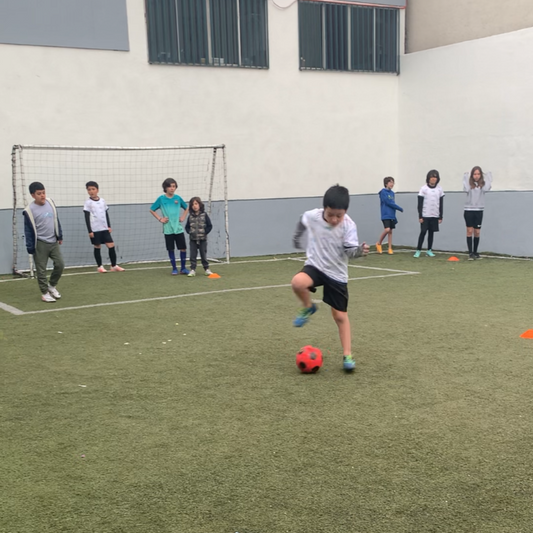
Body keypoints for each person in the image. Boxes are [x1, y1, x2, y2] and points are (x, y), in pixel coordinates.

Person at [291, 184, 369, 372]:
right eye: (330, 214)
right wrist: (298, 235)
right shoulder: (313, 215)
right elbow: (303, 220)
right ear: (323, 208)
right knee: (297, 282)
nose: (334, 219)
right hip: (316, 265)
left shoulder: (349, 225)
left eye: (339, 216)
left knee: (340, 316)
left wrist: (359, 251)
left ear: (346, 212)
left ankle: (347, 355)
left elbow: (349, 252)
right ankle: (309, 307)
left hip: (336, 273)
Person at [23, 182, 65, 302]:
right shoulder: (29, 211)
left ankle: (52, 286)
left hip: (53, 241)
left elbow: (56, 220)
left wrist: (59, 235)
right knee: (41, 270)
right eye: (39, 194)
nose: (42, 196)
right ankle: (44, 293)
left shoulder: (50, 203)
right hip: (40, 243)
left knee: (60, 264)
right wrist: (30, 247)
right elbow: (28, 230)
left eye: (44, 192)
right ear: (33, 195)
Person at [150, 178, 189, 275]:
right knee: (170, 248)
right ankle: (174, 268)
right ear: (165, 188)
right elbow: (152, 209)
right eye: (170, 186)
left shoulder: (178, 198)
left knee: (183, 248)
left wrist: (183, 217)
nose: (172, 188)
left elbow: (187, 207)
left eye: (174, 186)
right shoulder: (161, 199)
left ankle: (183, 268)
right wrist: (160, 219)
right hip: (168, 229)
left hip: (178, 228)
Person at [83, 181, 125, 273]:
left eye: (93, 189)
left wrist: (109, 226)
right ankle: (100, 266)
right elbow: (86, 217)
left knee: (111, 245)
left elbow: (106, 214)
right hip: (95, 228)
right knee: (97, 246)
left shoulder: (102, 201)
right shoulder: (88, 203)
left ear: (97, 190)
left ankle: (113, 265)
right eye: (89, 189)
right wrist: (90, 231)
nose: (91, 191)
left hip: (104, 228)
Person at [463, 166, 492, 260]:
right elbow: (466, 189)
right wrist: (465, 177)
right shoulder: (469, 184)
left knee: (477, 232)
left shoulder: (482, 185)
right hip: (469, 210)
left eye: (478, 174)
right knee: (469, 231)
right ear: (472, 175)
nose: (476, 176)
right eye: (475, 174)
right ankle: (470, 253)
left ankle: (475, 252)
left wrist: (489, 177)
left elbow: (486, 189)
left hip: (479, 210)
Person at [414, 170, 444, 258]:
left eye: (435, 177)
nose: (433, 179)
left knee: (431, 233)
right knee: (423, 232)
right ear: (428, 178)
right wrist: (420, 215)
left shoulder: (439, 189)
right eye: (432, 177)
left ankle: (429, 250)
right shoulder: (423, 189)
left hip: (435, 215)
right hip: (425, 215)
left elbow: (441, 203)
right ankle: (418, 250)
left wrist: (440, 216)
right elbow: (419, 203)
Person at [185, 196, 213, 277]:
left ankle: (206, 269)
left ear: (200, 204)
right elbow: (187, 227)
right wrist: (190, 232)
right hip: (193, 239)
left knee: (203, 254)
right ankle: (193, 269)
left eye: (196, 204)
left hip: (202, 239)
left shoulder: (204, 215)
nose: (195, 206)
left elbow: (209, 226)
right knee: (192, 255)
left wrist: (205, 232)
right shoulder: (190, 216)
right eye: (193, 204)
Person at [376, 176, 403, 255]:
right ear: (386, 183)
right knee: (387, 229)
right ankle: (379, 243)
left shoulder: (392, 193)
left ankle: (390, 248)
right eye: (390, 182)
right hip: (385, 215)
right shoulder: (383, 192)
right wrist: (399, 208)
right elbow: (388, 202)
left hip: (392, 215)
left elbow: (392, 202)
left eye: (393, 182)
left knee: (390, 231)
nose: (392, 184)